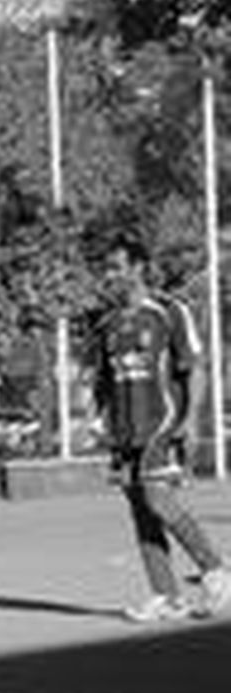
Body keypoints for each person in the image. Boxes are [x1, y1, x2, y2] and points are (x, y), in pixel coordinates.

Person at [91, 234, 231, 622]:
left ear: (138, 268)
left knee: (158, 499)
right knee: (141, 509)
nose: (110, 275)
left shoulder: (169, 311)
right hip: (124, 430)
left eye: (116, 267)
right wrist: (99, 419)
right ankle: (166, 595)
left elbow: (195, 368)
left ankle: (215, 571)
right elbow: (104, 380)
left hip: (161, 423)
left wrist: (191, 419)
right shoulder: (107, 324)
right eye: (107, 268)